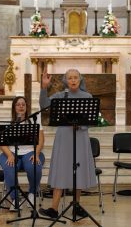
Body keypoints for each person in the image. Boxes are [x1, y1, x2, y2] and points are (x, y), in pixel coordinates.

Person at [38, 68, 97, 218]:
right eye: (70, 77)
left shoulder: (87, 96)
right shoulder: (60, 95)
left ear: (80, 79)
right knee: (61, 169)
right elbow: (44, 105)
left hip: (80, 136)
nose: (73, 80)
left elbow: (91, 120)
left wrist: (82, 125)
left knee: (79, 170)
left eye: (75, 77)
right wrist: (44, 87)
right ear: (66, 80)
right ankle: (54, 209)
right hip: (64, 136)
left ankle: (76, 206)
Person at [0, 96, 45, 210]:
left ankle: (32, 194)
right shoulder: (7, 122)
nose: (21, 106)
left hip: (31, 152)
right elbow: (1, 143)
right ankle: (15, 199)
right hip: (11, 152)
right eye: (18, 104)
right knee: (9, 168)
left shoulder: (34, 121)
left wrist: (37, 153)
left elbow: (41, 139)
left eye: (23, 104)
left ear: (26, 107)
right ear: (14, 107)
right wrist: (9, 155)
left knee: (34, 167)